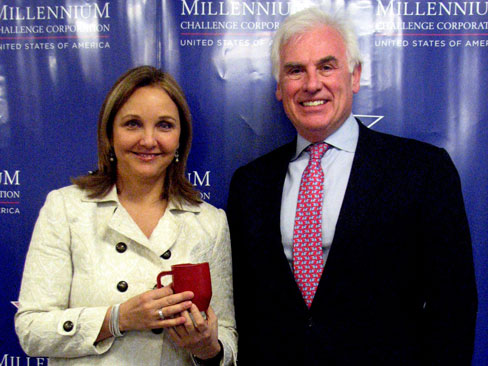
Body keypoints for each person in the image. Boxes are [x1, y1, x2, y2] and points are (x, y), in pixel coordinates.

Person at [226, 8, 477, 366]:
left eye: (327, 67)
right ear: (280, 87)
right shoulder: (249, 183)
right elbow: (244, 308)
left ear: (355, 76)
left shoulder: (423, 170)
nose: (312, 84)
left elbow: (454, 305)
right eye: (296, 70)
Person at [15, 65, 237, 366]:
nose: (148, 140)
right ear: (109, 134)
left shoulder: (209, 222)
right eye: (132, 124)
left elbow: (226, 337)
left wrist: (208, 347)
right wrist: (118, 319)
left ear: (180, 140)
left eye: (165, 125)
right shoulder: (65, 210)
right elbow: (31, 330)